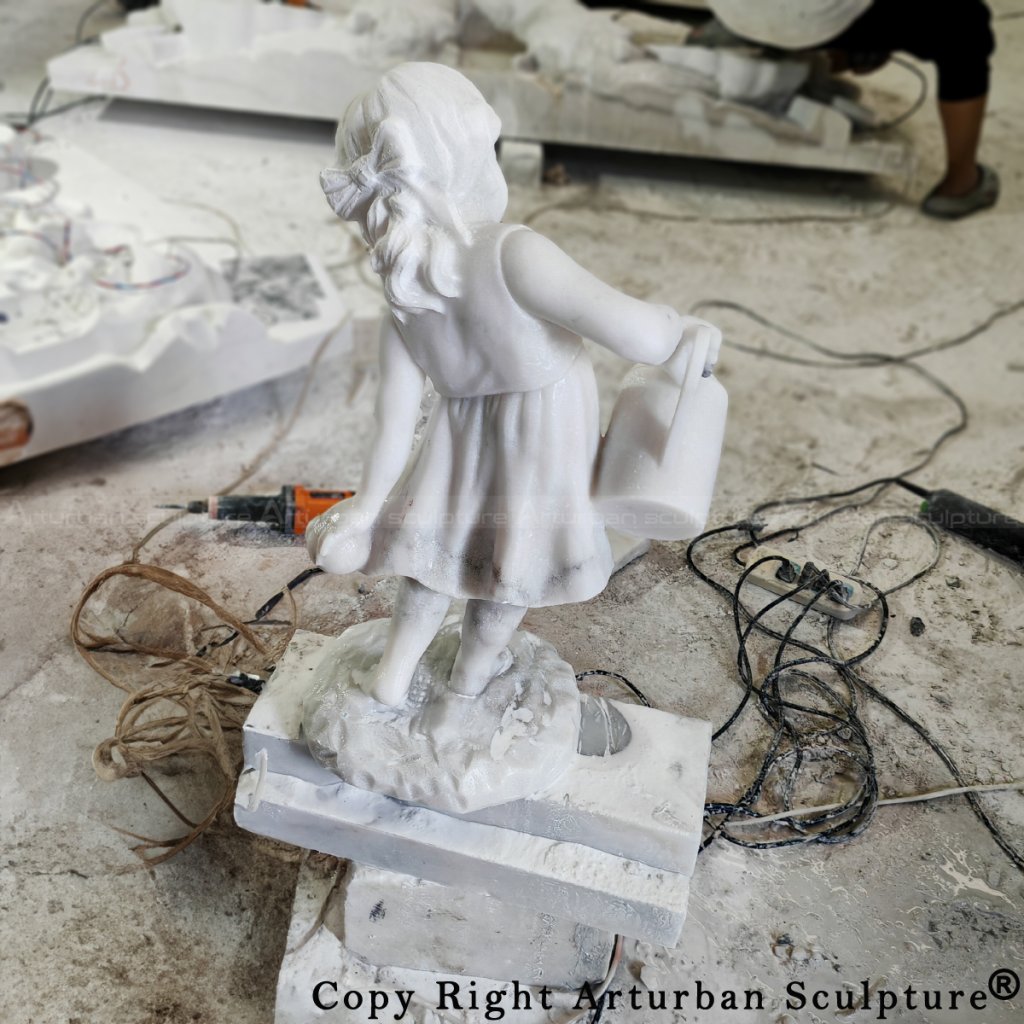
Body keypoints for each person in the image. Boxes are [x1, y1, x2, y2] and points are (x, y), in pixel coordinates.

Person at [307, 63, 704, 707]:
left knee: (437, 558)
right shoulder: (514, 252)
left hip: (454, 446)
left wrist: (368, 505)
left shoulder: (403, 294)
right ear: (466, 153)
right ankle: (467, 683)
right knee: (508, 571)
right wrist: (675, 324)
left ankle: (393, 676)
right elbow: (638, 337)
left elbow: (391, 424)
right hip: (543, 444)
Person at [705, 0, 999, 219]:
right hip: (807, 17)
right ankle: (962, 183)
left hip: (734, 9)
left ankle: (746, 34)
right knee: (965, 27)